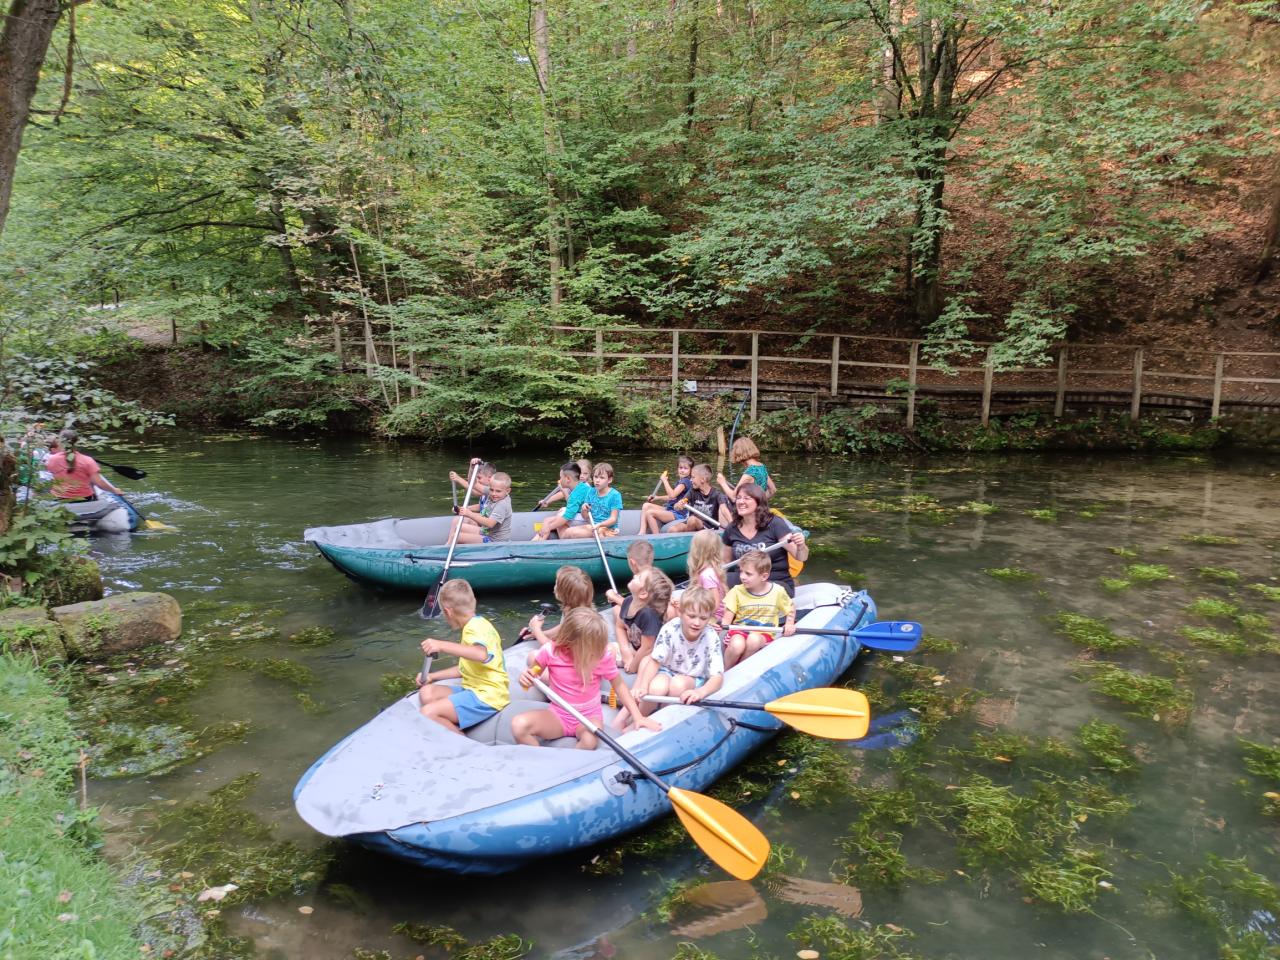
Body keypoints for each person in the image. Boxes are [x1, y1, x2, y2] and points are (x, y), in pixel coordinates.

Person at [513, 607, 660, 748]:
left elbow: (619, 685)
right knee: (518, 726)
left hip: (589, 717)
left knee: (589, 741)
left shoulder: (601, 657)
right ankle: (543, 760)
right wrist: (525, 679)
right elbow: (532, 676)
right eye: (593, 646)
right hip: (559, 714)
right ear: (570, 642)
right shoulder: (549, 652)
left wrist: (637, 716)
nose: (598, 649)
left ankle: (575, 761)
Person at [415, 579, 510, 733]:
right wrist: (432, 676)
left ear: (448, 612)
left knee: (427, 713)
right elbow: (465, 667)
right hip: (472, 689)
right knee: (427, 692)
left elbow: (481, 654)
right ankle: (451, 723)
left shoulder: (474, 628)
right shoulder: (477, 624)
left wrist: (441, 645)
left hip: (488, 696)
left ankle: (461, 740)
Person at [628, 586, 725, 722]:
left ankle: (663, 719)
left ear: (709, 618)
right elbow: (655, 661)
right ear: (680, 612)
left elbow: (717, 676)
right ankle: (639, 718)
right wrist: (643, 686)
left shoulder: (710, 636)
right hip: (667, 670)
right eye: (691, 616)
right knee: (656, 687)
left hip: (692, 676)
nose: (697, 623)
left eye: (703, 618)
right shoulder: (670, 629)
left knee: (677, 685)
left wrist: (700, 692)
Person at [721, 483, 807, 597]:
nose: (741, 502)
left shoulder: (775, 524)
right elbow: (725, 562)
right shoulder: (732, 528)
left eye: (746, 498)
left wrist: (801, 545)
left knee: (757, 589)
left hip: (774, 580)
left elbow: (801, 557)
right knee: (718, 582)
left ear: (758, 502)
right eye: (738, 498)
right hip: (744, 580)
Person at [719, 550, 795, 668]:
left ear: (764, 576)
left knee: (753, 640)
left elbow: (790, 608)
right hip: (739, 631)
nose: (742, 577)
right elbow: (727, 619)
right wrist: (720, 626)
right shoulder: (736, 591)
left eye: (748, 574)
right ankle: (725, 670)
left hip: (765, 634)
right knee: (737, 644)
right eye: (741, 572)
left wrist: (789, 624)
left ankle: (739, 669)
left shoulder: (777, 591)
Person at [611, 568, 673, 673]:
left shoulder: (648, 615)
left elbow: (647, 648)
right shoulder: (628, 601)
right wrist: (625, 652)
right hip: (634, 648)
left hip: (650, 654)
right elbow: (620, 627)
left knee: (648, 662)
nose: (634, 576)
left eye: (639, 578)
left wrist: (632, 667)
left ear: (643, 593)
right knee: (608, 650)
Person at [45, 429, 123, 502]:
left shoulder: (52, 459)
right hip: (85, 499)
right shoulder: (87, 460)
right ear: (77, 442)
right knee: (90, 480)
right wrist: (114, 490)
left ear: (60, 442)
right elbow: (99, 483)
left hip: (59, 498)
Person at [527, 565, 595, 645]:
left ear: (563, 593)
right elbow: (562, 628)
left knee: (534, 653)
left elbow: (553, 648)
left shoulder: (578, 620)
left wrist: (536, 629)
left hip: (576, 652)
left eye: (556, 584)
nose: (554, 586)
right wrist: (537, 634)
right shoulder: (573, 608)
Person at [560, 463, 622, 540]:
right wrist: (584, 509)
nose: (597, 480)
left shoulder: (615, 495)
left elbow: (613, 519)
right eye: (595, 477)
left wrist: (600, 525)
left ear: (609, 480)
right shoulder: (591, 492)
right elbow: (585, 517)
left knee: (600, 533)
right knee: (568, 532)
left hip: (608, 528)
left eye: (602, 478)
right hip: (592, 526)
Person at [447, 471, 513, 544]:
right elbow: (474, 483)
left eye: (498, 491)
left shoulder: (502, 504)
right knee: (459, 527)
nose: (494, 493)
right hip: (487, 532)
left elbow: (490, 523)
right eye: (491, 490)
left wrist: (469, 514)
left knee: (456, 537)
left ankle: (444, 549)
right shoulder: (492, 492)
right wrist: (472, 467)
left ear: (508, 491)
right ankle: (447, 546)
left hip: (494, 540)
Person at [532, 463, 592, 541]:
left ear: (568, 479)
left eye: (561, 477)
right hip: (582, 514)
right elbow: (562, 495)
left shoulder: (576, 494)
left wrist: (549, 527)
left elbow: (567, 517)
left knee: (554, 520)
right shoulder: (581, 486)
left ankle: (538, 541)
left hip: (589, 519)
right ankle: (538, 539)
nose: (560, 480)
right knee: (549, 519)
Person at [664, 463, 732, 533]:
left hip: (708, 527)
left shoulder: (717, 494)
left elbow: (724, 509)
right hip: (690, 523)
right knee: (673, 529)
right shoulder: (692, 491)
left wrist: (732, 524)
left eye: (693, 477)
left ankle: (687, 536)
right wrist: (678, 505)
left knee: (692, 520)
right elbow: (676, 506)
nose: (691, 480)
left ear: (702, 479)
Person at [640, 456, 695, 534]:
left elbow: (672, 495)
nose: (682, 470)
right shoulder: (681, 481)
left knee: (650, 513)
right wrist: (657, 498)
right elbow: (672, 497)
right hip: (670, 509)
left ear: (691, 470)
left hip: (678, 513)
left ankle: (657, 536)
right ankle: (642, 531)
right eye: (680, 468)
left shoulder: (685, 482)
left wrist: (665, 481)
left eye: (685, 468)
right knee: (646, 505)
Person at [682, 529, 728, 622]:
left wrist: (702, 618)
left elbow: (715, 603)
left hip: (711, 618)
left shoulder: (707, 575)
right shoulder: (708, 571)